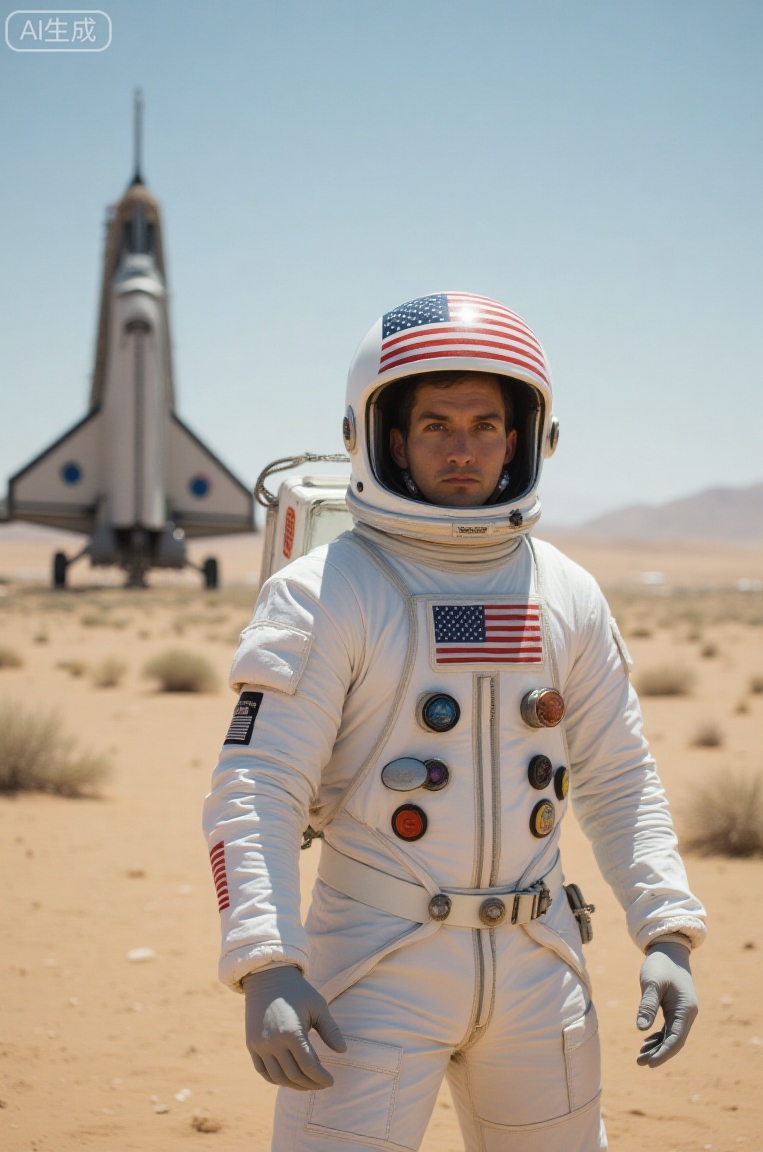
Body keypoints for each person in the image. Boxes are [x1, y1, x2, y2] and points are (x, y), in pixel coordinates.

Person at [203, 292, 706, 1151]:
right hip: (372, 966)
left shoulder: (566, 592)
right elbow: (258, 786)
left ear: (524, 440)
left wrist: (667, 929)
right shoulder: (327, 592)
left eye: (485, 425)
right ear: (388, 439)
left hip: (540, 964)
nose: (464, 448)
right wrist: (267, 962)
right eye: (436, 424)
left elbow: (621, 775)